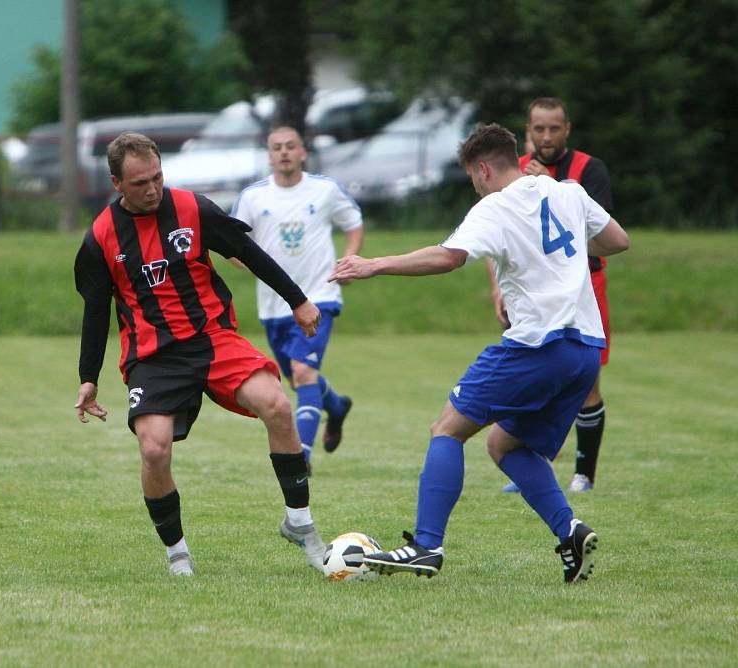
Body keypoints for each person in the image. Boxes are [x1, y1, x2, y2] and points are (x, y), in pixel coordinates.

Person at [329, 123, 629, 583]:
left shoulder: (495, 206)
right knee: (505, 444)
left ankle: (426, 546)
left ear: (484, 168)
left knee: (447, 429)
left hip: (537, 345)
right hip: (584, 350)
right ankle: (570, 531)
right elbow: (616, 241)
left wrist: (375, 264)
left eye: (473, 177)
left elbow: (448, 257)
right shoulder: (567, 192)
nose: (475, 185)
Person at [74, 132, 327, 577]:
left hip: (213, 338)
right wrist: (88, 376)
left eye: (157, 177)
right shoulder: (100, 238)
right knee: (154, 449)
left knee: (277, 404)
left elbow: (249, 252)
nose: (151, 189)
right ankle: (178, 554)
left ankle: (300, 524)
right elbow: (95, 312)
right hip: (152, 356)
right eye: (139, 184)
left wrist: (297, 299)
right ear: (116, 184)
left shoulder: (193, 209)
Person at [495, 97, 615, 494]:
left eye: (553, 128)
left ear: (568, 129)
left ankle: (585, 473)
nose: (545, 136)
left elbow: (604, 237)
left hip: (584, 289)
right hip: (532, 291)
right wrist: (498, 287)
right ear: (528, 130)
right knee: (538, 375)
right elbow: (497, 233)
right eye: (538, 129)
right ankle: (535, 466)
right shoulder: (515, 173)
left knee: (585, 382)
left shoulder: (588, 170)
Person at [231, 126, 362, 474]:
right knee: (298, 379)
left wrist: (348, 260)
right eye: (277, 147)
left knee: (304, 373)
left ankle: (301, 456)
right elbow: (230, 242)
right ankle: (335, 406)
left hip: (320, 296)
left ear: (303, 152)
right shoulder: (253, 197)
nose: (284, 152)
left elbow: (354, 223)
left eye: (291, 146)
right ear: (269, 155)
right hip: (274, 306)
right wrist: (247, 261)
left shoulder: (325, 189)